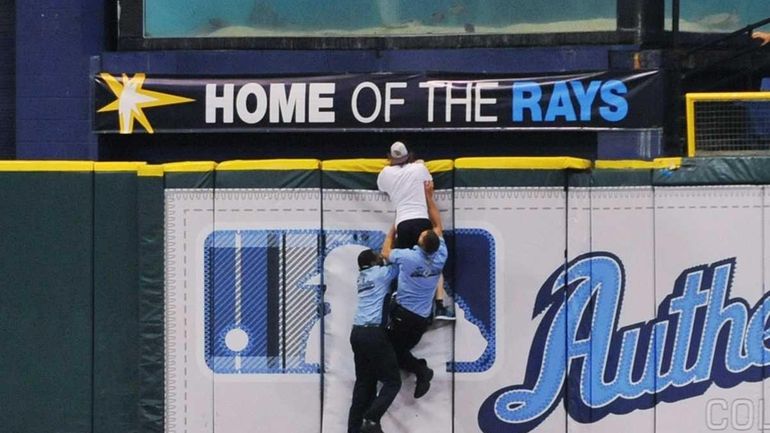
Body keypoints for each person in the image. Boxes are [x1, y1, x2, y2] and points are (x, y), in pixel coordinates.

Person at [381, 180, 448, 399]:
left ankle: (421, 370)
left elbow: (385, 254)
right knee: (397, 351)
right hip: (421, 318)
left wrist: (392, 230)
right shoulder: (440, 256)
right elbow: (438, 225)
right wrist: (429, 197)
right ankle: (421, 370)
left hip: (404, 316)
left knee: (389, 350)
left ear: (420, 243)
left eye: (420, 236)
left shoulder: (409, 257)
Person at [377, 140, 454, 320]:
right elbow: (430, 188)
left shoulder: (386, 173)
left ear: (389, 157)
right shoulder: (420, 168)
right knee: (435, 261)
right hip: (421, 219)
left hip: (402, 222)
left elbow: (381, 186)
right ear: (409, 155)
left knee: (403, 263)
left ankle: (401, 298)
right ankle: (440, 305)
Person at [347, 249, 401, 433]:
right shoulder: (381, 274)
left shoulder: (361, 277)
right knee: (393, 381)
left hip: (357, 333)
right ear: (373, 262)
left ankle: (354, 429)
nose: (381, 258)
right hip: (373, 333)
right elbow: (402, 265)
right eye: (378, 257)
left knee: (364, 382)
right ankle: (371, 419)